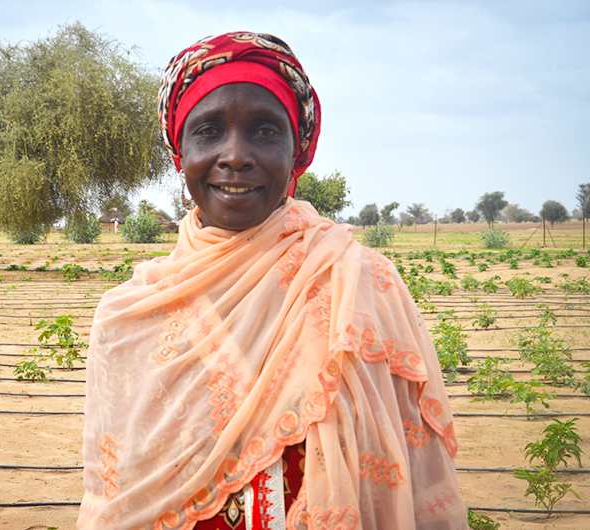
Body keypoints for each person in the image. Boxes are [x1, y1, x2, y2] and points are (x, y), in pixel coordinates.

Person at [78, 32, 468, 530]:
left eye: (265, 131)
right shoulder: (129, 315)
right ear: (180, 152)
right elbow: (118, 498)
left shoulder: (357, 281)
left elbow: (411, 472)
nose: (235, 155)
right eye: (208, 131)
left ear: (297, 151)